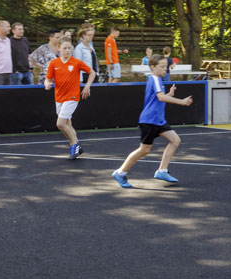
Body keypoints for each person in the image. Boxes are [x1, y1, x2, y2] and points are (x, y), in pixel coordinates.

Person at [110, 54, 195, 188]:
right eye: (161, 66)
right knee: (144, 150)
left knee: (175, 140)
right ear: (152, 67)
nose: (164, 69)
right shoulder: (154, 79)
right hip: (149, 120)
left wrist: (170, 95)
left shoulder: (158, 80)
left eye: (165, 67)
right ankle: (120, 173)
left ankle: (162, 171)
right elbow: (160, 98)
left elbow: (157, 99)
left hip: (159, 120)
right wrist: (182, 102)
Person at [44, 38, 95, 160]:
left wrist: (87, 87)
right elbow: (48, 78)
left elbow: (92, 72)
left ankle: (74, 144)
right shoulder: (54, 63)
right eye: (65, 48)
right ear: (59, 49)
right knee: (67, 124)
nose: (67, 50)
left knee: (60, 123)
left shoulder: (76, 62)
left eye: (69, 48)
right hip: (59, 97)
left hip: (72, 96)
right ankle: (77, 145)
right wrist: (47, 83)